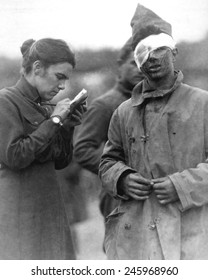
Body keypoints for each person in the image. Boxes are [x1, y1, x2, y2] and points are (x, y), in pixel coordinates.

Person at [99, 3, 208, 260]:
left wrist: (181, 185)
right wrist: (121, 178)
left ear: (174, 52)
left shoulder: (203, 104)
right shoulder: (123, 112)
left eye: (160, 49)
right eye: (143, 52)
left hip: (192, 233)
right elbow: (107, 161)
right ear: (137, 62)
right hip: (136, 235)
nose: (153, 58)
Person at [0, 38, 86, 259]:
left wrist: (66, 127)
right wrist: (54, 121)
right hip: (20, 215)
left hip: (49, 211)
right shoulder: (5, 101)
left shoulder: (45, 108)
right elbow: (15, 156)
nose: (63, 86)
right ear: (37, 67)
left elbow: (61, 161)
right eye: (59, 77)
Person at [74, 37, 143, 221]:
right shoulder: (105, 105)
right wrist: (121, 175)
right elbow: (82, 150)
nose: (139, 69)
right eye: (133, 63)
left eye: (143, 63)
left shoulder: (154, 102)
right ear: (119, 66)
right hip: (120, 196)